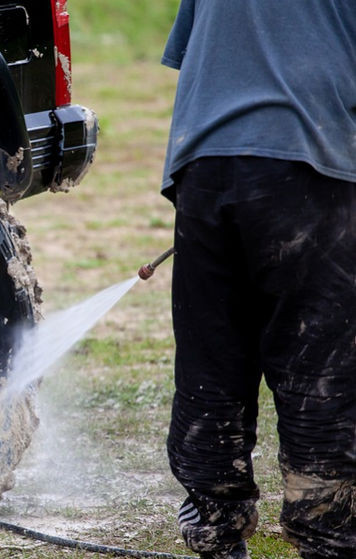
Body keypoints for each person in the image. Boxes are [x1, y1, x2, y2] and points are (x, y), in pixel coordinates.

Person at [160, 2, 356, 558]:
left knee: (212, 363)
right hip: (307, 163)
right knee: (319, 366)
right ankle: (327, 535)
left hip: (203, 167)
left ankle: (215, 534)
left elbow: (200, 57)